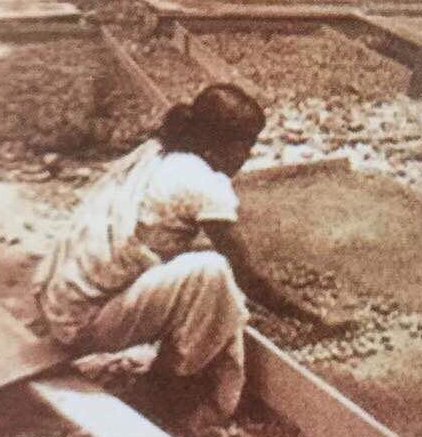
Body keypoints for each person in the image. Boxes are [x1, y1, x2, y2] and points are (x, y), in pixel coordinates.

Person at [32, 84, 287, 436]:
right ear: (217, 145)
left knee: (198, 269)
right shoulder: (204, 183)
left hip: (61, 304)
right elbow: (247, 276)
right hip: (85, 324)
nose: (247, 156)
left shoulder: (158, 153)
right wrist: (305, 314)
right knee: (213, 272)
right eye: (245, 145)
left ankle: (173, 378)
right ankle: (175, 390)